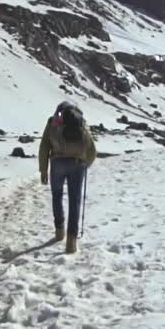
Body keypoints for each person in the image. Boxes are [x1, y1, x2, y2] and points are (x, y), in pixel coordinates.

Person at [38, 101, 97, 253]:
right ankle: (71, 242)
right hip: (77, 164)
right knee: (74, 201)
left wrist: (44, 170)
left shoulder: (53, 122)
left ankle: (59, 231)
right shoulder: (81, 122)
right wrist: (84, 165)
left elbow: (44, 146)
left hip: (57, 163)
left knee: (57, 196)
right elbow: (92, 150)